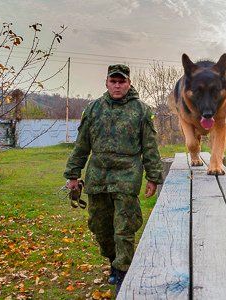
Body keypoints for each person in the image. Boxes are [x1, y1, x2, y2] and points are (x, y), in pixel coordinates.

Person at [63, 64, 164, 291]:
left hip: (127, 176)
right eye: (113, 81)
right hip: (98, 176)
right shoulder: (93, 110)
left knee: (124, 227)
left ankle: (122, 272)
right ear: (107, 83)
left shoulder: (141, 111)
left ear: (129, 83)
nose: (117, 86)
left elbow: (150, 147)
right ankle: (113, 261)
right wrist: (73, 174)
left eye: (122, 82)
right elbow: (81, 146)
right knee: (100, 227)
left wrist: (154, 177)